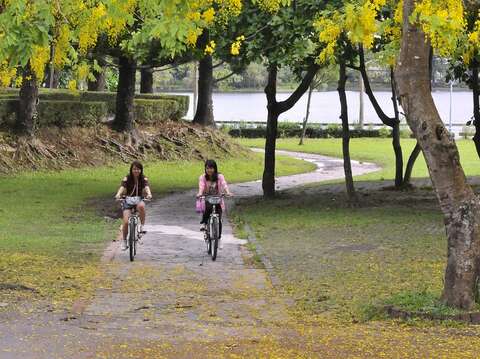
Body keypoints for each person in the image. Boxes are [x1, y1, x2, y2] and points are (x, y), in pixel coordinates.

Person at [115, 160, 152, 250]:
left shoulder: (143, 178)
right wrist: (118, 194)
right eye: (134, 169)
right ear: (131, 170)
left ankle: (141, 226)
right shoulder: (127, 178)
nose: (136, 171)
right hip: (128, 201)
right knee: (126, 222)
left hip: (138, 200)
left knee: (141, 206)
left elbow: (146, 187)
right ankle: (124, 241)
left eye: (138, 169)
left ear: (141, 170)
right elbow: (122, 186)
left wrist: (149, 194)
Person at [196, 160, 233, 245]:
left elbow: (224, 184)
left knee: (219, 220)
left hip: (218, 199)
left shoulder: (220, 176)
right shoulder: (203, 177)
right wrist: (200, 193)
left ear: (215, 168)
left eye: (211, 168)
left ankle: (218, 238)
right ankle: (204, 223)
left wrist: (227, 192)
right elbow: (201, 186)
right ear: (205, 169)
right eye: (207, 168)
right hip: (207, 198)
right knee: (207, 208)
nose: (209, 170)